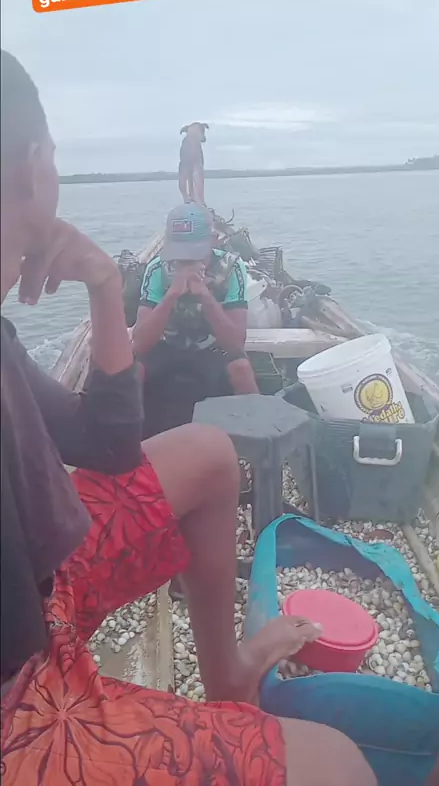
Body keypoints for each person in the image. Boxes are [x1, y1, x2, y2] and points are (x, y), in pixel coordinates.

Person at [0, 49, 378, 786]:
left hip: (37, 596)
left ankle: (227, 674)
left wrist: (104, 284)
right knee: (340, 766)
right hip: (19, 691)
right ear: (35, 168)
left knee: (208, 451)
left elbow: (110, 442)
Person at [133, 202, 259, 436]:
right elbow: (140, 343)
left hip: (211, 347)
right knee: (132, 371)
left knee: (241, 368)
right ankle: (130, 441)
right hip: (167, 345)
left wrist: (205, 296)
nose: (186, 259)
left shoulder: (231, 269)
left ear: (213, 241)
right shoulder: (157, 269)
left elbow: (235, 344)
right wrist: (172, 294)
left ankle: (256, 436)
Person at [178, 121, 208, 205]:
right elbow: (203, 139)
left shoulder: (188, 138)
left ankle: (189, 198)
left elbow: (203, 139)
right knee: (196, 176)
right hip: (193, 157)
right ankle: (199, 200)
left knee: (186, 176)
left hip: (187, 157)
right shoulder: (196, 133)